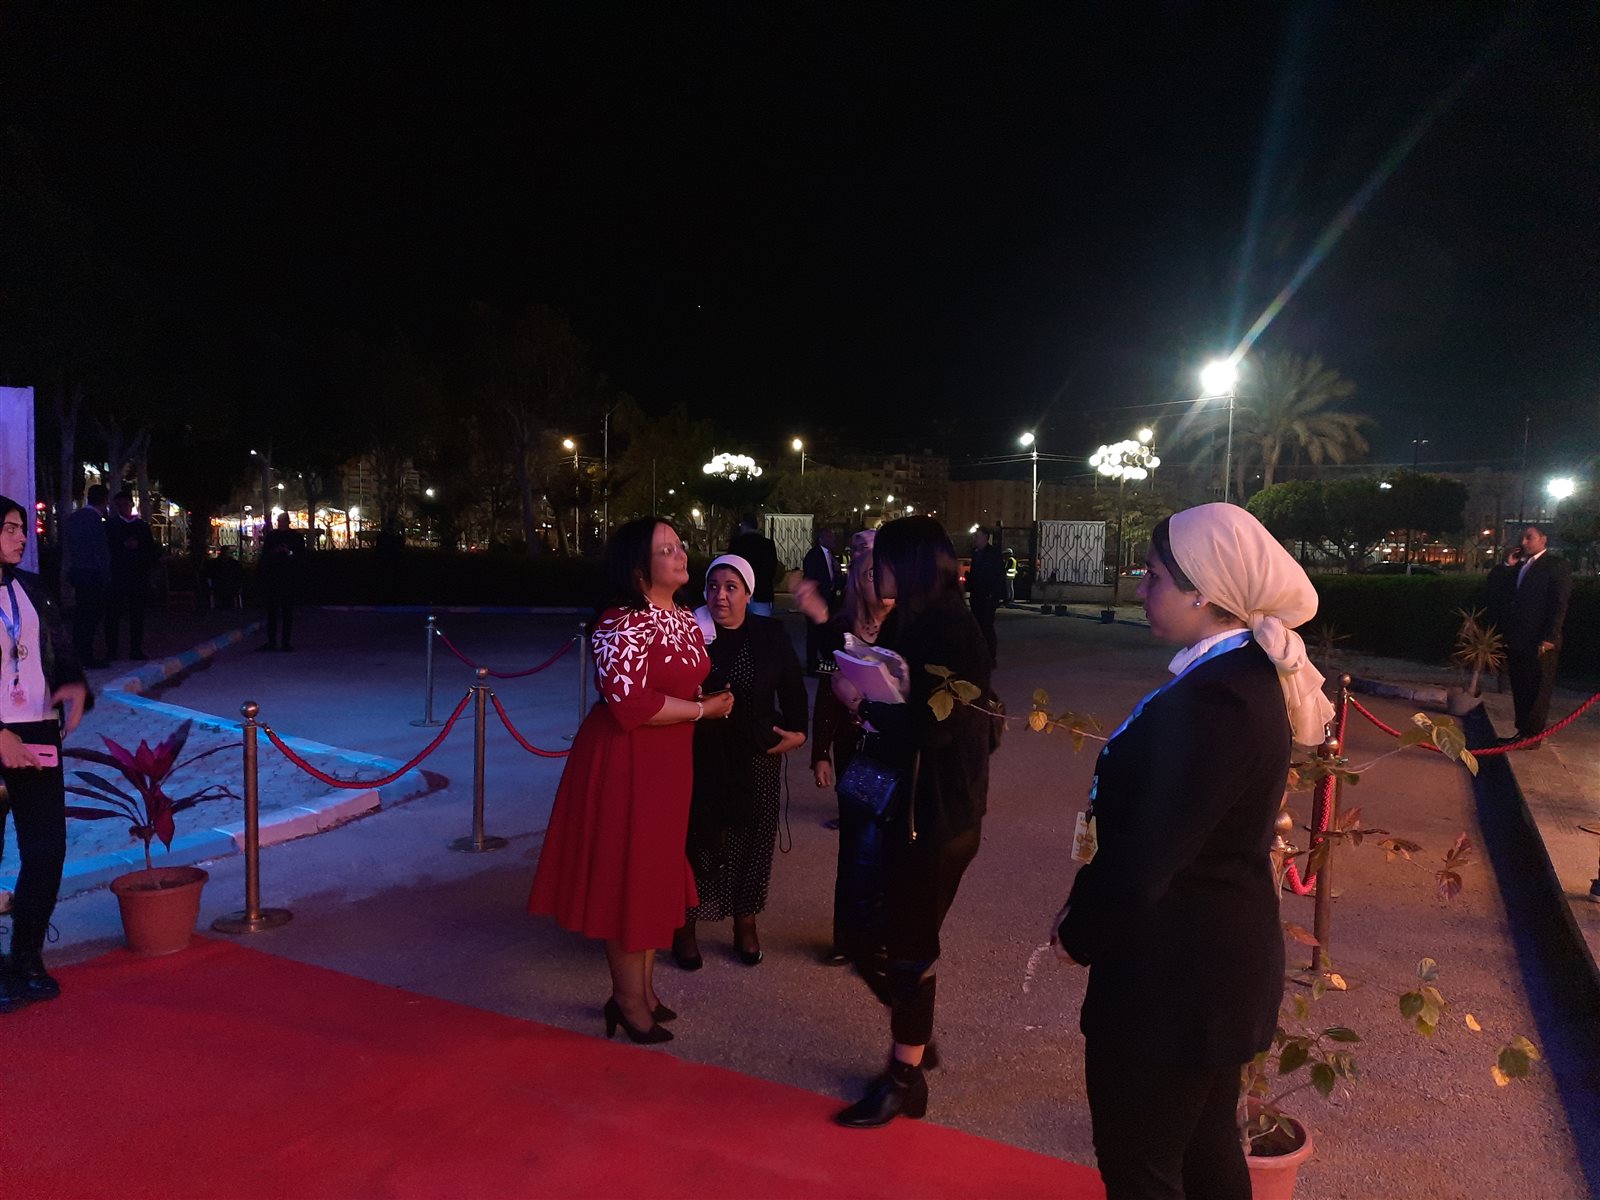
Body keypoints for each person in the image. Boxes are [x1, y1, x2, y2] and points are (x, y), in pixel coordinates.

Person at [1052, 503, 1333, 1200]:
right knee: (1205, 1150)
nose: (1140, 588)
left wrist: (1078, 932)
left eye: (1153, 576)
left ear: (1203, 591)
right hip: (1205, 973)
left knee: (1141, 1166)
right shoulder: (1232, 676)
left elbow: (1152, 854)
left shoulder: (1220, 700)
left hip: (1175, 981)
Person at [527, 518, 734, 1044]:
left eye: (679, 546)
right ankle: (627, 1000)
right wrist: (702, 710)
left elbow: (679, 681)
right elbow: (629, 704)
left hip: (669, 761)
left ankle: (643, 990)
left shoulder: (683, 616)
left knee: (654, 871)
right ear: (640, 569)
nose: (681, 555)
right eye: (667, 550)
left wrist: (703, 702)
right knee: (630, 875)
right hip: (627, 759)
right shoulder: (620, 622)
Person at [829, 516, 995, 1128]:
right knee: (872, 931)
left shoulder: (953, 627)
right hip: (907, 802)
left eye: (886, 561)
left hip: (938, 812)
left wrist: (867, 703)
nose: (877, 572)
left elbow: (938, 725)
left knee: (907, 943)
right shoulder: (915, 617)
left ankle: (906, 1076)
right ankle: (914, 1036)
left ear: (914, 564)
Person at [673, 554, 807, 970]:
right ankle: (685, 923)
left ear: (748, 594)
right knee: (697, 839)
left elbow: (792, 686)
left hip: (755, 755)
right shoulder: (690, 633)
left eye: (731, 587)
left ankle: (745, 921)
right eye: (713, 586)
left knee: (753, 840)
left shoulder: (769, 634)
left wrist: (799, 732)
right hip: (701, 753)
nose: (720, 595)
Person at [0, 493, 94, 1014]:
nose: (22, 537)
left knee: (46, 849)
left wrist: (74, 685)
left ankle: (26, 955)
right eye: (10, 528)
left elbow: (59, 647)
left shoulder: (32, 588)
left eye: (21, 528)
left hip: (36, 730)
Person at [797, 528, 890, 964]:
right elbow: (827, 694)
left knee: (893, 848)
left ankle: (882, 935)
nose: (881, 582)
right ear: (858, 580)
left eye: (886, 572)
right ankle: (846, 939)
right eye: (871, 574)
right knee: (856, 848)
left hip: (897, 754)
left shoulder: (910, 629)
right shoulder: (842, 628)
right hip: (857, 754)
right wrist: (820, 753)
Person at [1490, 524, 1573, 746]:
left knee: (1537, 689)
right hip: (1518, 638)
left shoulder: (1555, 565)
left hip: (1540, 640)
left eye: (1529, 537)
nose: (1524, 542)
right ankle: (1522, 732)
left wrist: (1551, 636)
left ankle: (1532, 736)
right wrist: (1508, 565)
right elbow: (1497, 587)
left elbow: (1559, 603)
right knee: (1520, 686)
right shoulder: (1521, 565)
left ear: (1543, 539)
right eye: (1522, 538)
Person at [61, 484, 111, 668]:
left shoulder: (74, 518)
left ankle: (78, 653)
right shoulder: (95, 520)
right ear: (104, 501)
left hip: (77, 571)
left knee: (81, 615)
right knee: (90, 616)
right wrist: (106, 574)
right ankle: (86, 655)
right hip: (92, 573)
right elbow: (99, 551)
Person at [104, 490, 157, 661]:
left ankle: (136, 649)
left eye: (125, 504)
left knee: (137, 614)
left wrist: (139, 549)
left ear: (131, 505)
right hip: (118, 575)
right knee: (113, 614)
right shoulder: (111, 526)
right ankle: (112, 650)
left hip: (137, 576)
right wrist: (123, 546)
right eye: (119, 505)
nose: (122, 508)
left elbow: (151, 550)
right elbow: (107, 548)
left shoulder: (142, 526)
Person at [258, 513, 306, 652]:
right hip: (274, 578)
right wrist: (274, 552)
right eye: (279, 521)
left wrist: (288, 552)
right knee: (272, 612)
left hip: (288, 578)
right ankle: (271, 641)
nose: (281, 524)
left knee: (287, 612)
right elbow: (265, 555)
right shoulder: (272, 536)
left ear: (288, 522)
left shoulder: (295, 537)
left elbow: (300, 556)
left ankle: (285, 642)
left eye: (283, 521)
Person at [801, 527, 844, 674]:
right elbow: (812, 578)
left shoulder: (831, 555)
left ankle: (824, 662)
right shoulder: (814, 555)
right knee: (814, 634)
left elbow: (833, 577)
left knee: (825, 634)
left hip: (829, 600)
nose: (833, 539)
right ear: (821, 539)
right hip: (816, 601)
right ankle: (811, 665)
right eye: (830, 536)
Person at [727, 514, 780, 618]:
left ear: (743, 525)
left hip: (739, 591)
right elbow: (772, 568)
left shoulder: (736, 543)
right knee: (761, 623)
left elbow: (730, 566)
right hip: (762, 591)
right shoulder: (767, 544)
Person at [966, 525, 1005, 665]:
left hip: (988, 597)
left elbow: (998, 576)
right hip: (977, 596)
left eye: (977, 536)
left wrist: (994, 595)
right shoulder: (975, 553)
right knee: (977, 627)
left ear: (984, 537)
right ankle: (979, 656)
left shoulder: (993, 554)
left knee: (986, 627)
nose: (975, 539)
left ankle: (990, 657)